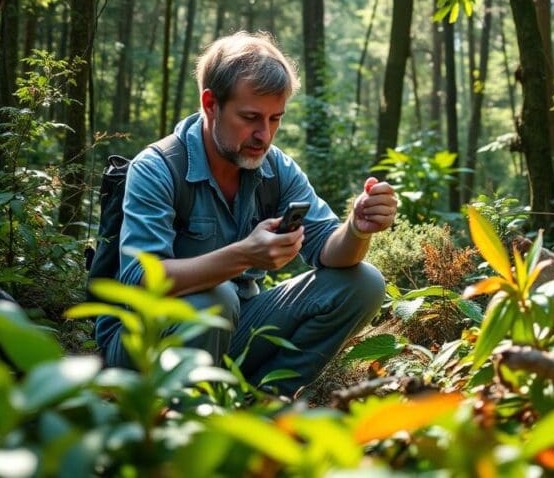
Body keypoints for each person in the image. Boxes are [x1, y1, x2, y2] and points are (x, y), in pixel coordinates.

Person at [94, 31, 398, 396]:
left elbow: (329, 249)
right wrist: (242, 256)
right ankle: (187, 424)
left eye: (275, 119)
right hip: (143, 344)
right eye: (250, 117)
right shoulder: (157, 168)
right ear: (210, 104)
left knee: (363, 283)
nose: (263, 135)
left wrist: (357, 228)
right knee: (215, 300)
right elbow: (140, 281)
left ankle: (266, 402)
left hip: (235, 327)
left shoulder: (276, 169)